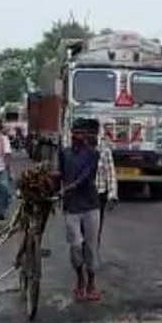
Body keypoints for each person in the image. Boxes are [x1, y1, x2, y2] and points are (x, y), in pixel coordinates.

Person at [60, 118, 102, 302]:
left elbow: (86, 176)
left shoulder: (93, 154)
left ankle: (91, 283)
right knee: (76, 246)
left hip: (90, 206)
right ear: (71, 134)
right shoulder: (64, 153)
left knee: (90, 248)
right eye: (75, 132)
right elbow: (60, 174)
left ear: (86, 135)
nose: (78, 136)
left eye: (81, 133)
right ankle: (79, 278)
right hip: (71, 208)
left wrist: (71, 186)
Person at [91, 126, 118, 263]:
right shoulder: (76, 150)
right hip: (82, 196)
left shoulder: (105, 151)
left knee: (96, 226)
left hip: (99, 194)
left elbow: (110, 174)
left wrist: (112, 195)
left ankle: (93, 252)